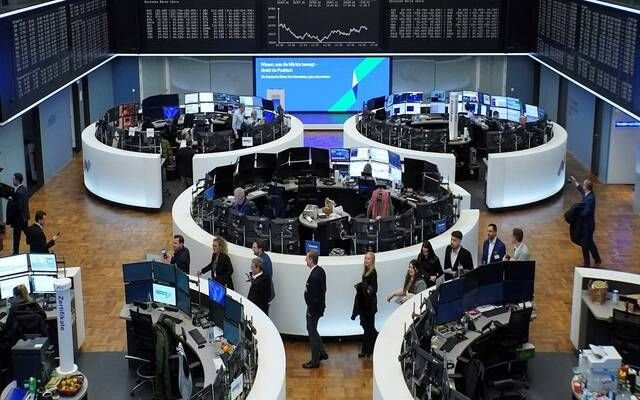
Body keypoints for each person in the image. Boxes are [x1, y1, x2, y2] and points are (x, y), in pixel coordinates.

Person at [303, 250, 328, 369]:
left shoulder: (314, 276)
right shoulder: (320, 271)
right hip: (318, 308)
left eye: (307, 258)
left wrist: (310, 311)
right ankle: (322, 353)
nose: (305, 260)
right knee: (313, 330)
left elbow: (314, 297)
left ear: (311, 260)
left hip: (313, 310)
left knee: (312, 333)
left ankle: (314, 361)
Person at [570, 176, 601, 267]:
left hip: (588, 226)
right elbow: (581, 190)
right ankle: (595, 260)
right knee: (588, 243)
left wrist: (577, 213)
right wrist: (575, 182)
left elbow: (587, 212)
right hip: (585, 225)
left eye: (583, 185)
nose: (582, 186)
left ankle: (589, 262)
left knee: (586, 244)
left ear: (586, 187)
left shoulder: (590, 199)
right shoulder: (588, 194)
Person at [351, 252, 378, 358]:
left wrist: (363, 287)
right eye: (365, 258)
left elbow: (373, 289)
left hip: (369, 305)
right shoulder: (365, 272)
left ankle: (369, 350)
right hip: (364, 304)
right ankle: (367, 349)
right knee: (366, 327)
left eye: (368, 259)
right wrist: (361, 286)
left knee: (369, 328)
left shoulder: (373, 273)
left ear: (372, 261)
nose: (366, 260)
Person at [6, 172, 29, 255]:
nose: (12, 181)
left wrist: (10, 200)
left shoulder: (18, 192)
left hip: (18, 219)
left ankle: (15, 253)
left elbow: (18, 206)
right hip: (25, 216)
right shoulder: (25, 189)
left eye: (13, 179)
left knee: (16, 238)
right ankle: (37, 246)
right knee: (28, 234)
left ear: (17, 180)